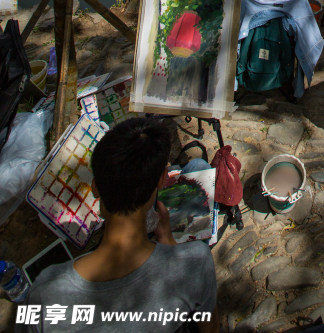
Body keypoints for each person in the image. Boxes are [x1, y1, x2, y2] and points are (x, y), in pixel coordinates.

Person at [27, 116, 218, 333]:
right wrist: (169, 245)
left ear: (95, 187)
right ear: (162, 179)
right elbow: (209, 328)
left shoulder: (45, 292)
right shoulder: (196, 261)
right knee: (198, 166)